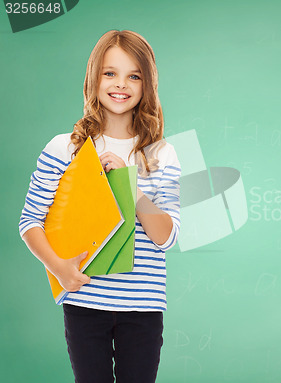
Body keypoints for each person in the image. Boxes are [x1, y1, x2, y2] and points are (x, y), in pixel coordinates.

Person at [18, 30, 181, 383]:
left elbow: (167, 237)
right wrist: (59, 269)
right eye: (110, 73)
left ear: (147, 84)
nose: (120, 84)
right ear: (94, 78)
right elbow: (30, 221)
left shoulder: (161, 153)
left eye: (133, 75)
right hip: (84, 300)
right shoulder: (65, 148)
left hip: (143, 306)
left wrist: (130, 185)